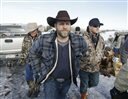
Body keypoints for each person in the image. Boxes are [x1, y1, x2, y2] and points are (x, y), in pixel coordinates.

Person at [28, 10, 87, 99]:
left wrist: (77, 67)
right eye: (61, 24)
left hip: (68, 80)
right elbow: (32, 53)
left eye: (67, 24)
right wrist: (38, 70)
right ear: (55, 25)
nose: (65, 27)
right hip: (50, 80)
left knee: (62, 97)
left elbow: (85, 53)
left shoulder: (79, 40)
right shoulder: (44, 39)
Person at [79, 18, 105, 99]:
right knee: (84, 84)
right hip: (84, 68)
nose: (97, 28)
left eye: (99, 26)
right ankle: (83, 95)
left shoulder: (101, 39)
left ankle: (85, 88)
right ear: (89, 27)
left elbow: (102, 50)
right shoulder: (82, 38)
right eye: (95, 26)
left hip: (95, 68)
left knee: (95, 83)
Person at [20, 23, 42, 97]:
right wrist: (22, 59)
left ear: (37, 29)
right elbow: (23, 49)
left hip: (38, 61)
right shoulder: (26, 38)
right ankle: (31, 88)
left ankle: (36, 89)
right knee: (28, 76)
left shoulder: (41, 37)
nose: (33, 32)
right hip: (28, 60)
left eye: (34, 30)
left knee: (37, 76)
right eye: (31, 31)